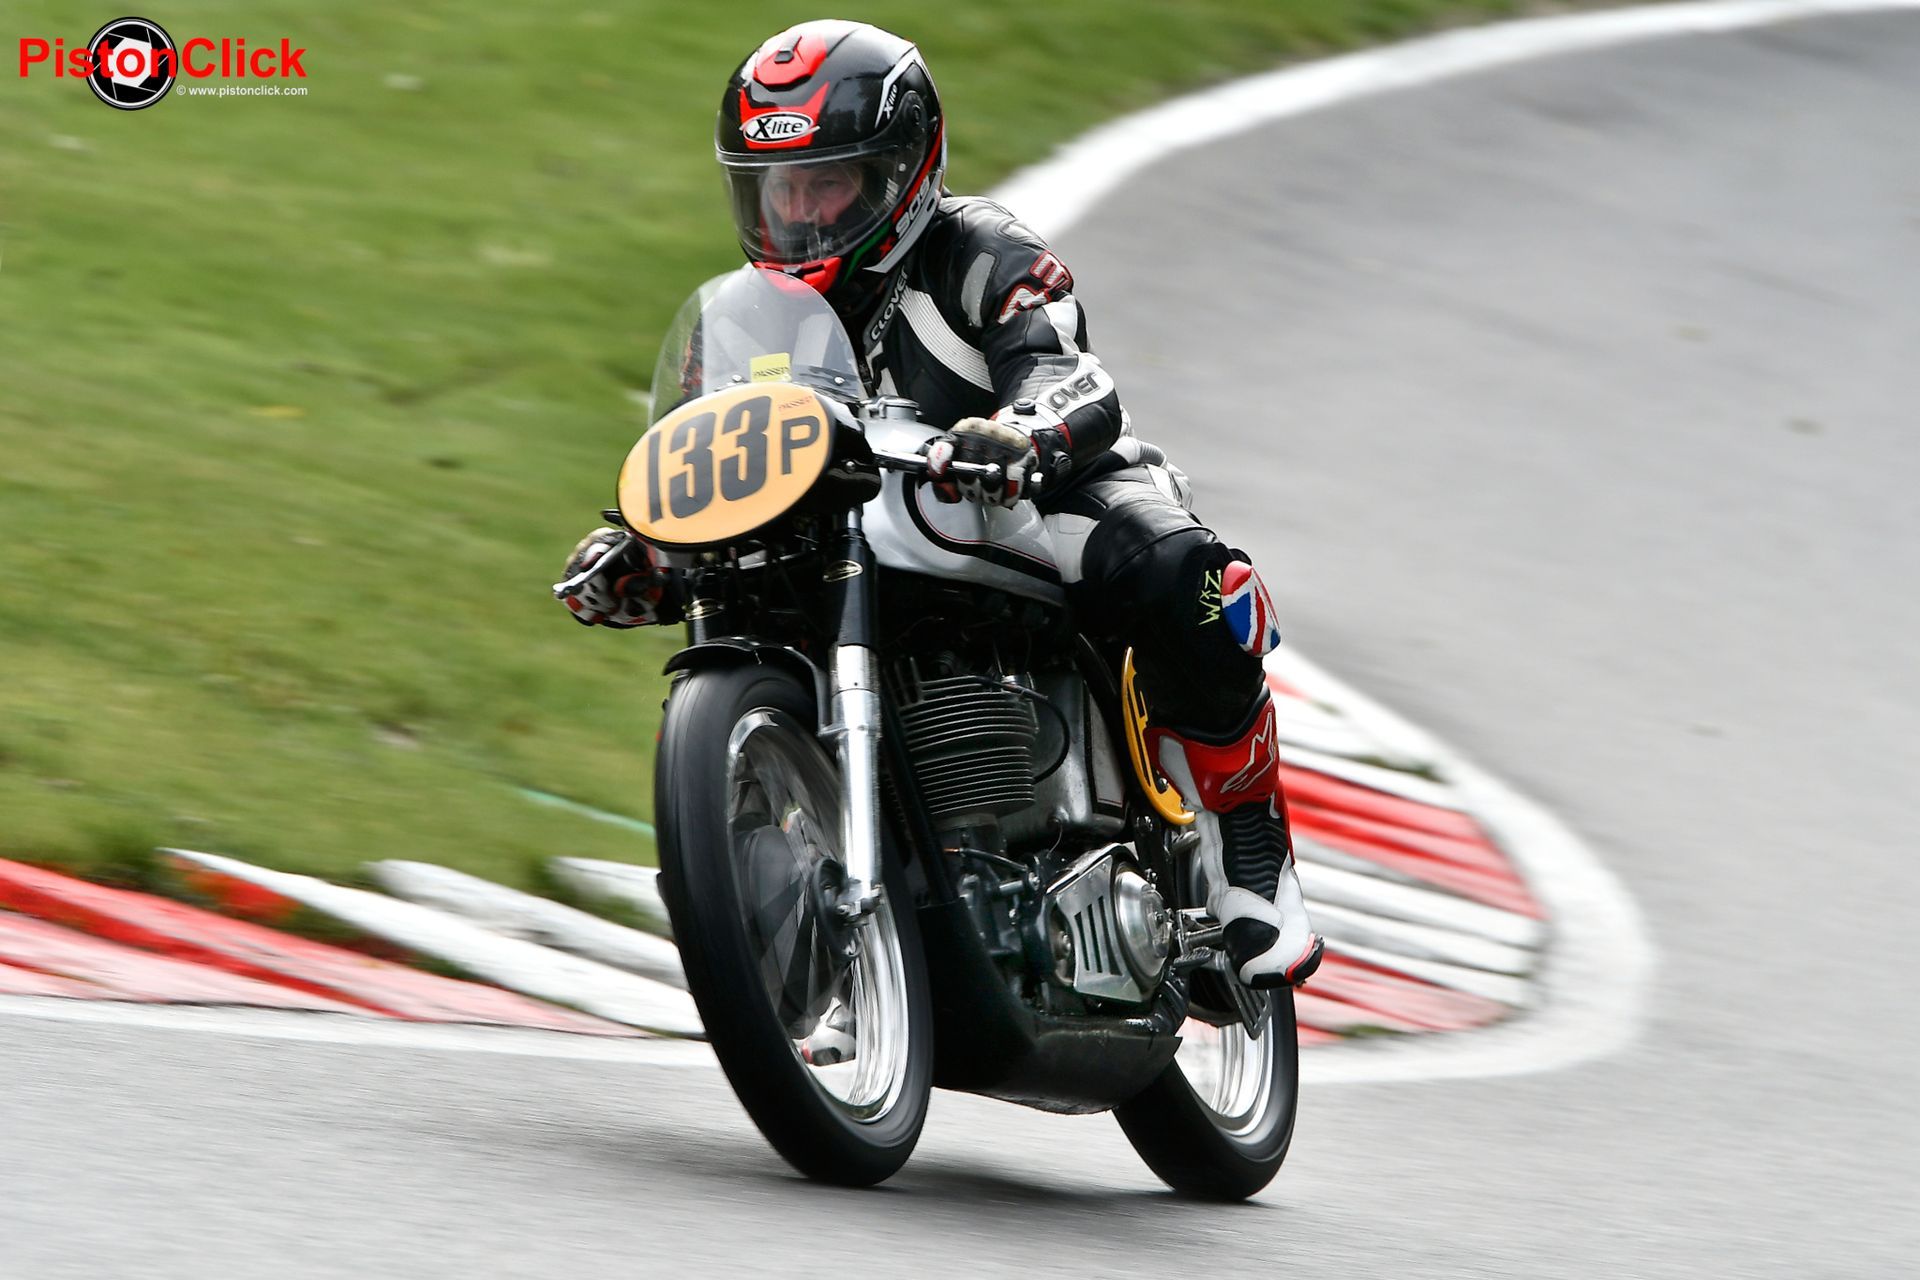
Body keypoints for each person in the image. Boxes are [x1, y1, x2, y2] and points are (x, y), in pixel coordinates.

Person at [561, 20, 1321, 989]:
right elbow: (720, 445)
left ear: (900, 174)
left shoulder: (979, 249)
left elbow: (1066, 370)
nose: (799, 212)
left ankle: (1249, 846)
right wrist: (646, 548)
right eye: (776, 189)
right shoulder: (744, 321)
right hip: (848, 529)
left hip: (1025, 498)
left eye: (827, 184)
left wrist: (1021, 433)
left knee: (1183, 569)